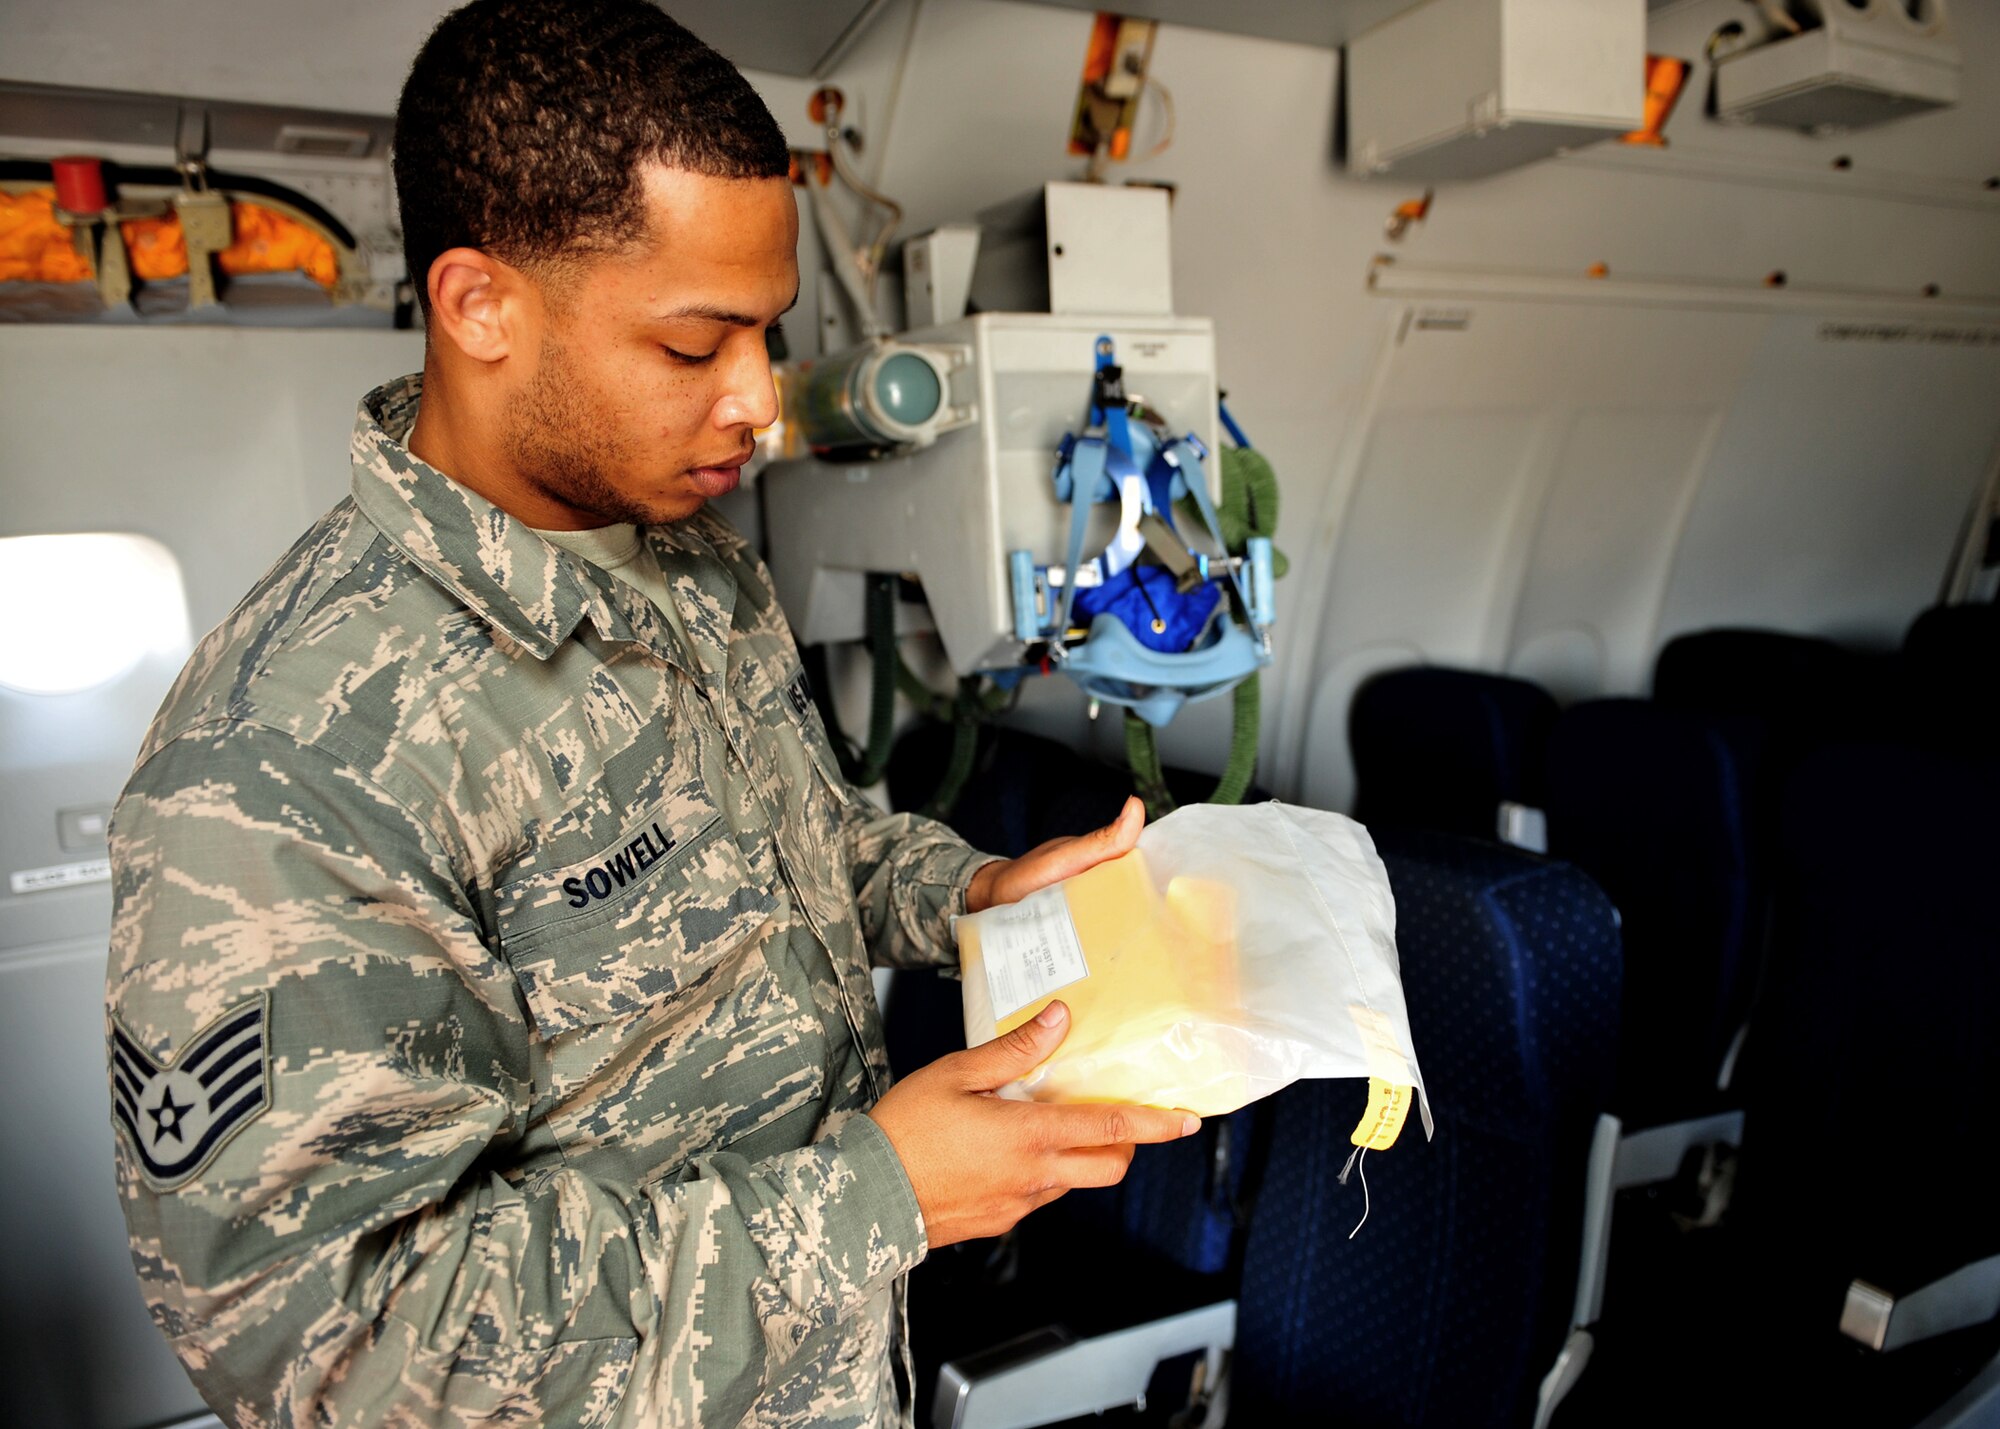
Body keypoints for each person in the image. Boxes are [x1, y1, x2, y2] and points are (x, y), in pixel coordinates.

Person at [103, 2, 1197, 1424]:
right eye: (696, 346)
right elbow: (340, 1350)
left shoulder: (692, 568)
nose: (758, 399)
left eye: (768, 332)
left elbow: (805, 850)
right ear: (481, 306)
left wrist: (972, 893)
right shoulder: (291, 753)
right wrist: (880, 1194)